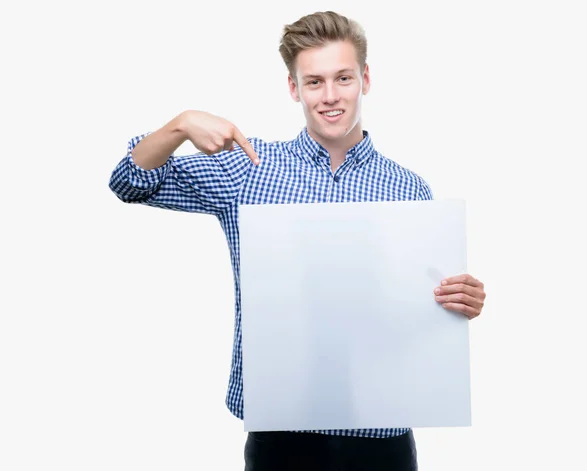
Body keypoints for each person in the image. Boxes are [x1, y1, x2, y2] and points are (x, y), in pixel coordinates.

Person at [109, 10, 486, 471]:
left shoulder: (408, 189)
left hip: (381, 435)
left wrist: (457, 301)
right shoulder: (248, 168)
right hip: (282, 434)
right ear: (294, 88)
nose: (330, 96)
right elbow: (131, 183)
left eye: (343, 78)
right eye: (314, 82)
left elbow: (413, 316)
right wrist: (181, 125)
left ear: (365, 79)